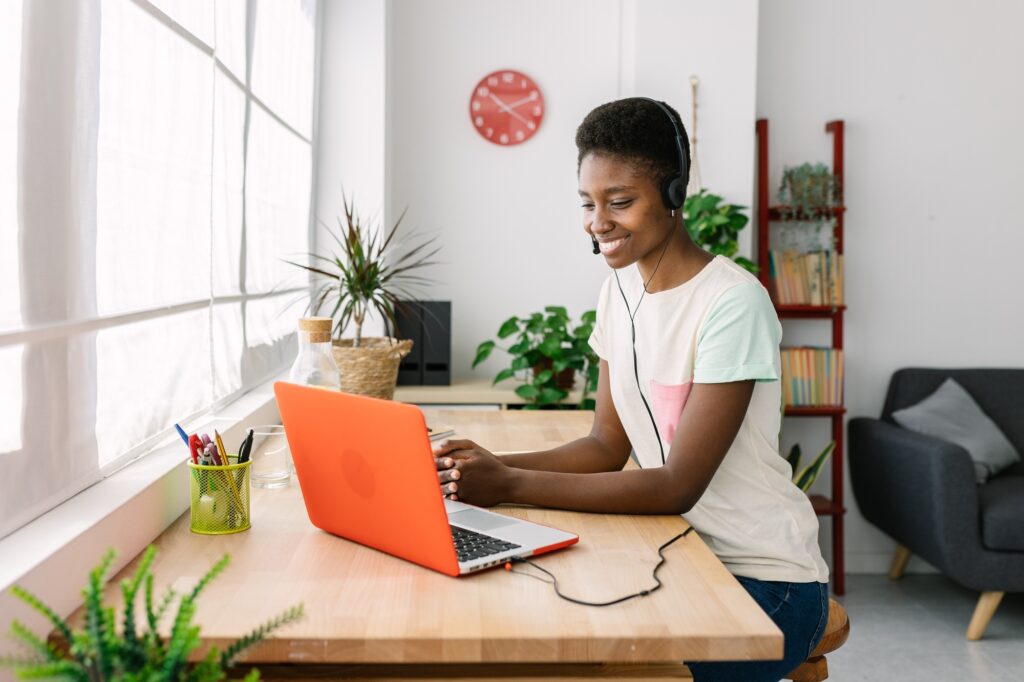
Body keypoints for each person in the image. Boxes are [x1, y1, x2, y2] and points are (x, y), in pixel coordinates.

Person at [432, 97, 829, 682]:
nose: (598, 222)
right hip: (679, 554)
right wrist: (485, 467)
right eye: (588, 204)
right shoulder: (617, 293)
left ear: (673, 195)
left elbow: (677, 485)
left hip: (765, 580)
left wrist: (511, 484)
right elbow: (603, 446)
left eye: (620, 202)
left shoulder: (731, 302)